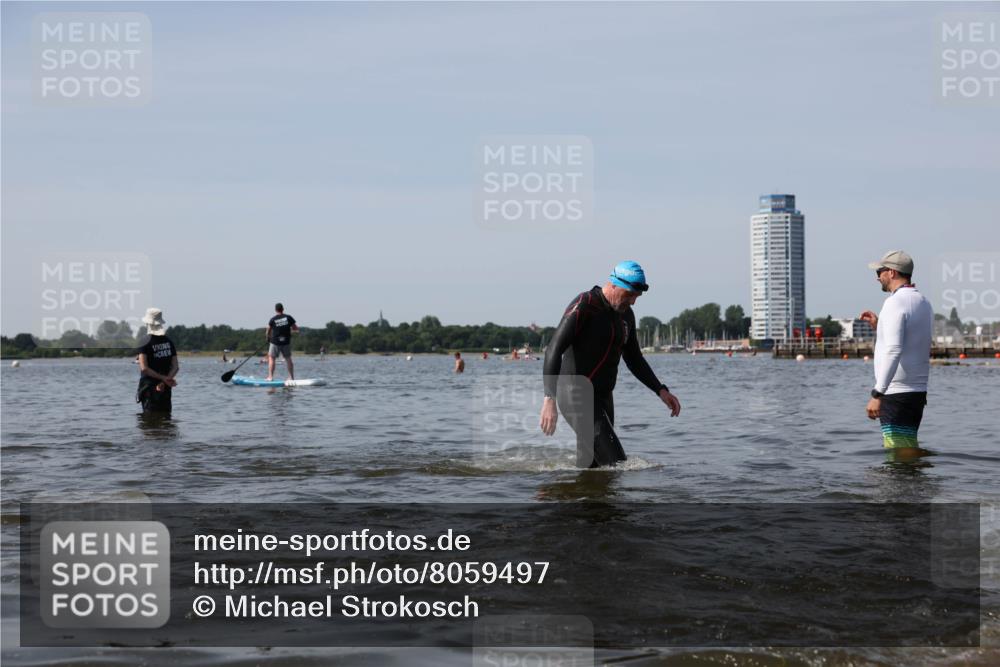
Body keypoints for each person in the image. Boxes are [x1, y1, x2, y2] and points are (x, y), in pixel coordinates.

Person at [539, 261, 681, 468]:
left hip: (604, 398)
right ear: (613, 284)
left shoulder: (626, 315)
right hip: (575, 393)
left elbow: (634, 358)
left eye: (636, 297)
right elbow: (553, 349)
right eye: (629, 294)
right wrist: (549, 399)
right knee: (616, 463)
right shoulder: (585, 305)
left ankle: (570, 497)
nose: (632, 302)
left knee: (594, 468)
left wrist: (661, 390)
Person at [859, 250, 932, 454]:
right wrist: (880, 326)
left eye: (880, 271)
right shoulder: (923, 302)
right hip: (916, 392)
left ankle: (901, 486)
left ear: (891, 272)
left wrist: (877, 393)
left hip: (895, 392)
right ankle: (914, 485)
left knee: (898, 453)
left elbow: (893, 349)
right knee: (907, 448)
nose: (877, 277)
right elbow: (911, 338)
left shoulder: (894, 302)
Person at [135, 307, 178, 413]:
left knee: (149, 422)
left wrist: (162, 379)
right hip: (166, 387)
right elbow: (176, 367)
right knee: (166, 419)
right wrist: (165, 380)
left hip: (149, 388)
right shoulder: (169, 341)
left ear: (148, 323)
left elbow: (144, 368)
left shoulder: (144, 341)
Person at [266, 303, 299, 381]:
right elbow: (295, 328)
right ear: (283, 309)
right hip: (286, 341)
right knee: (288, 359)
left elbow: (268, 331)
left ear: (275, 310)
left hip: (275, 342)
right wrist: (289, 330)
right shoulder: (288, 317)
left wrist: (267, 338)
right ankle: (291, 377)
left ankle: (270, 377)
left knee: (271, 358)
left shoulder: (273, 319)